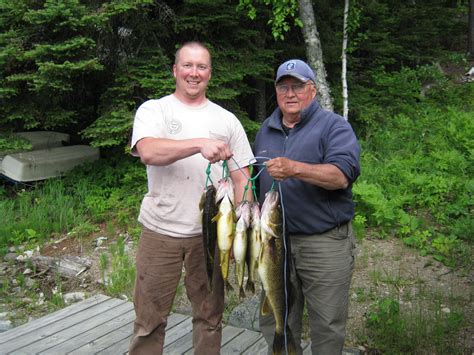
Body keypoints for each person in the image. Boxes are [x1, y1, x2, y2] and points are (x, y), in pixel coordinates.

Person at [128, 41, 254, 355]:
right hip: (160, 231)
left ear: (210, 73)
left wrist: (242, 229)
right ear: (175, 70)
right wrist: (199, 143)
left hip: (211, 234)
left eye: (201, 67)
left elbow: (243, 177)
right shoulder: (155, 110)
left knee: (210, 315)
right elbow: (148, 151)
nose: (194, 73)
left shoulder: (227, 121)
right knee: (149, 318)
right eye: (187, 65)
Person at [254, 59, 361, 354]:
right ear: (276, 91)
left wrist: (295, 169)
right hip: (275, 243)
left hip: (324, 243)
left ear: (312, 90)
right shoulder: (266, 130)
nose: (290, 93)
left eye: (298, 86)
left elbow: (341, 176)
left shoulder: (334, 126)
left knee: (326, 324)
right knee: (277, 317)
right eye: (283, 86)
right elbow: (254, 181)